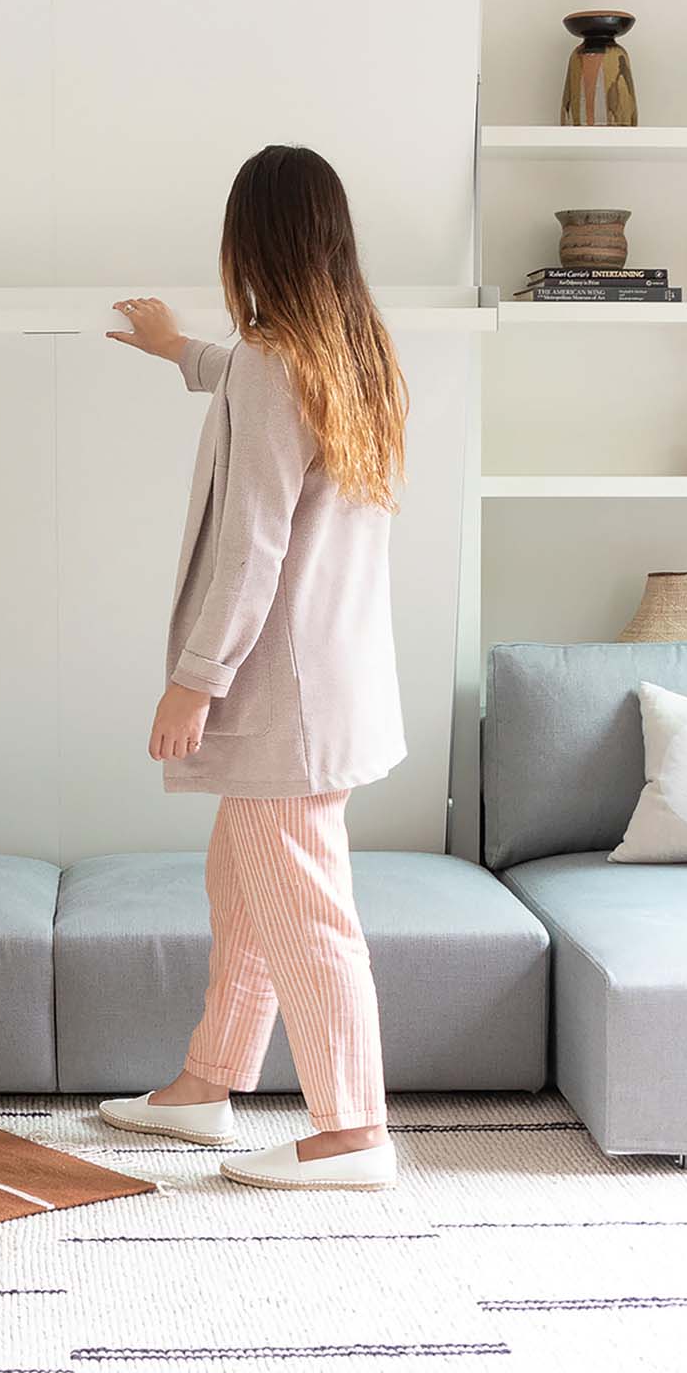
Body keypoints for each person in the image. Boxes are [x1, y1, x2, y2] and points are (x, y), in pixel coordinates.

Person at [97, 144, 408, 1192]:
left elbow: (253, 545)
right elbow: (233, 374)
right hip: (330, 682)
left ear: (250, 240)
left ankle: (354, 1132)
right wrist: (172, 347)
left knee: (302, 903)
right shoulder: (345, 352)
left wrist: (196, 676)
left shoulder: (280, 362)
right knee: (246, 883)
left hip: (285, 689)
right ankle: (206, 1086)